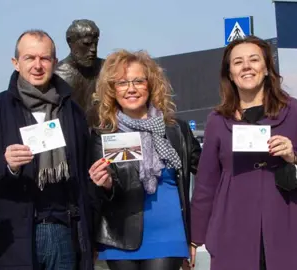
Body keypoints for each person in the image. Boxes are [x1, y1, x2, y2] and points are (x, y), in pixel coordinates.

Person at [0, 30, 94, 270]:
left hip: (64, 231)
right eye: (29, 58)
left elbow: (84, 174)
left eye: (45, 58)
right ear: (16, 63)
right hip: (14, 236)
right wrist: (7, 164)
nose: (38, 65)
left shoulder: (72, 111)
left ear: (54, 63)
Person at [191, 36, 297, 270]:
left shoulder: (294, 112)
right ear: (230, 73)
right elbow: (206, 183)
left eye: (254, 59)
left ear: (267, 68)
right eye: (238, 62)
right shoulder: (217, 120)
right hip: (232, 230)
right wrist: (195, 236)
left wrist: (293, 157)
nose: (246, 66)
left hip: (286, 228)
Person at [89, 50, 201, 270]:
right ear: (112, 90)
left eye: (138, 81)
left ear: (150, 85)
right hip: (121, 234)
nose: (131, 89)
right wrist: (105, 184)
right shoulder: (103, 134)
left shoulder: (177, 130)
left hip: (168, 233)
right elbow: (98, 194)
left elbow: (209, 173)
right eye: (122, 83)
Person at [55, 19, 104, 125]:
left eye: (95, 44)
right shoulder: (56, 76)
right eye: (86, 44)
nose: (93, 49)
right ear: (70, 42)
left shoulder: (107, 69)